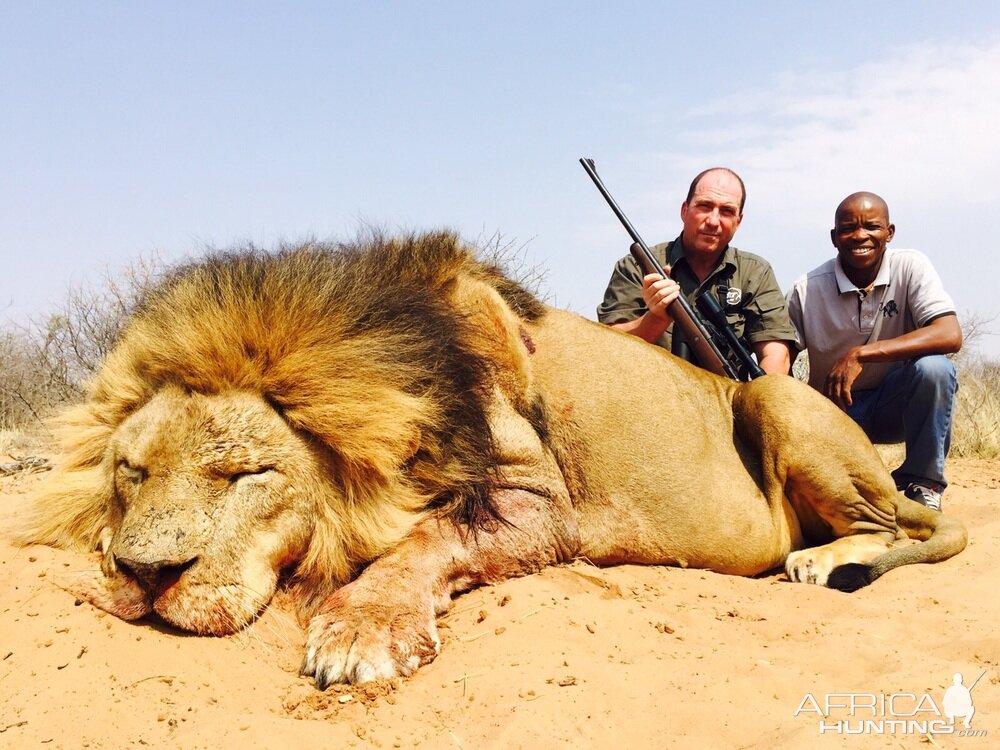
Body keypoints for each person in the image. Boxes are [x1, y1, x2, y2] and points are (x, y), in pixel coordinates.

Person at [786, 191, 963, 511]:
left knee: (936, 369)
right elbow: (781, 357)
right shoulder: (806, 288)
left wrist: (861, 354)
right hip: (834, 416)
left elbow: (949, 334)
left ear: (889, 232)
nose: (860, 236)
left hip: (896, 408)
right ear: (834, 237)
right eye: (848, 228)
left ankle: (923, 482)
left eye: (872, 226)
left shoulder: (911, 266)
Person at [597, 167, 795, 376]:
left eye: (727, 211)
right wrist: (656, 318)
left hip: (725, 401)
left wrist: (755, 402)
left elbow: (776, 355)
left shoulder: (756, 272)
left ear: (739, 221)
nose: (713, 221)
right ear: (684, 210)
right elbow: (607, 347)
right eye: (704, 206)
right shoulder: (635, 266)